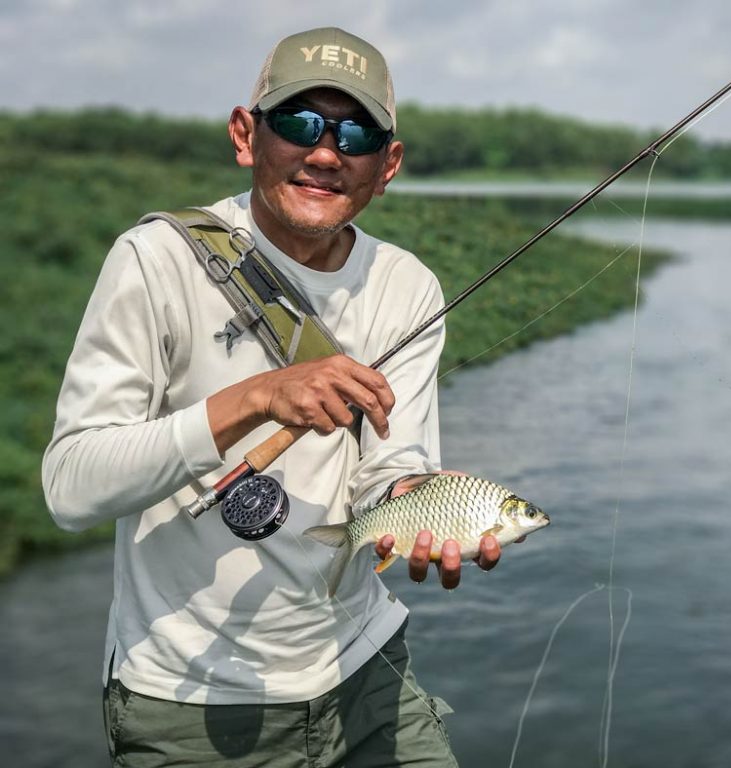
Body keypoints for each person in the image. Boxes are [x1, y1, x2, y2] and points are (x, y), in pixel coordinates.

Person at [41, 26, 497, 767]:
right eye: (298, 122)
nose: (324, 152)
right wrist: (253, 397)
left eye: (355, 133)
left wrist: (417, 496)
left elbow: (392, 464)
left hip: (366, 670)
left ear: (388, 165)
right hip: (189, 703)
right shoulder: (156, 261)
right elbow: (69, 487)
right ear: (245, 135)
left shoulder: (407, 286)